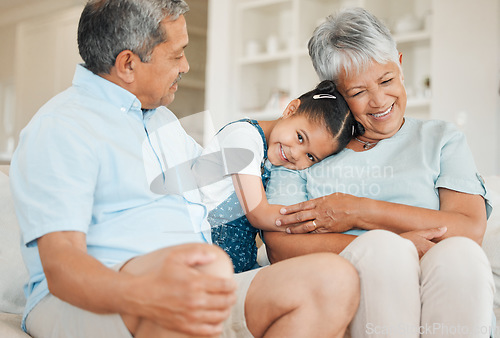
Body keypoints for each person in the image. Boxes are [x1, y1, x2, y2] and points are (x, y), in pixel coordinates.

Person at [9, 0, 360, 337]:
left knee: (333, 281)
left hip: (193, 285)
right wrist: (153, 295)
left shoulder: (161, 119)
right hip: (97, 298)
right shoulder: (62, 127)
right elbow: (62, 269)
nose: (186, 66)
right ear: (128, 64)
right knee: (196, 269)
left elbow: (219, 182)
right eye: (177, 54)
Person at [264, 7, 495, 338]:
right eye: (358, 92)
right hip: (354, 290)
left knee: (461, 253)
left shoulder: (442, 139)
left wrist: (359, 211)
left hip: (440, 280)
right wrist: (387, 247)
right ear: (335, 95)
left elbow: (470, 229)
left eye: (386, 80)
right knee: (386, 255)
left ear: (400, 65)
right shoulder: (302, 149)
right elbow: (279, 247)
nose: (379, 100)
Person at [193, 80, 357, 272]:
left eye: (310, 156)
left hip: (238, 263)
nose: (296, 154)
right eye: (300, 137)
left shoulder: (272, 155)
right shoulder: (242, 139)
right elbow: (259, 214)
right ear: (290, 109)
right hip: (207, 258)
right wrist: (317, 219)